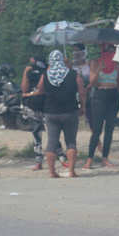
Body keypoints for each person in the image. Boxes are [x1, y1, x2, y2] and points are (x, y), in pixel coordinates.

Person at [26, 50, 86, 178]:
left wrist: (27, 95)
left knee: (51, 143)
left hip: (51, 113)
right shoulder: (74, 74)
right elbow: (82, 92)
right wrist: (82, 107)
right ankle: (71, 171)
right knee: (71, 142)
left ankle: (52, 172)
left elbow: (39, 90)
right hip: (70, 112)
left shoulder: (45, 75)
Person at [21, 55, 66, 170]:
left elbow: (27, 90)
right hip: (36, 106)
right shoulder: (32, 70)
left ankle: (60, 158)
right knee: (40, 134)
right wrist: (26, 73)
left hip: (45, 106)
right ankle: (42, 160)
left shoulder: (47, 70)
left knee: (50, 133)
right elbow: (24, 88)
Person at [84, 43, 119, 169]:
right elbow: (92, 83)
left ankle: (105, 157)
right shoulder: (94, 63)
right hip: (99, 95)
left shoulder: (117, 65)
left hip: (113, 96)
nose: (110, 54)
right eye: (107, 51)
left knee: (109, 129)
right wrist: (98, 70)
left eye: (112, 51)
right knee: (97, 130)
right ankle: (90, 158)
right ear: (102, 51)